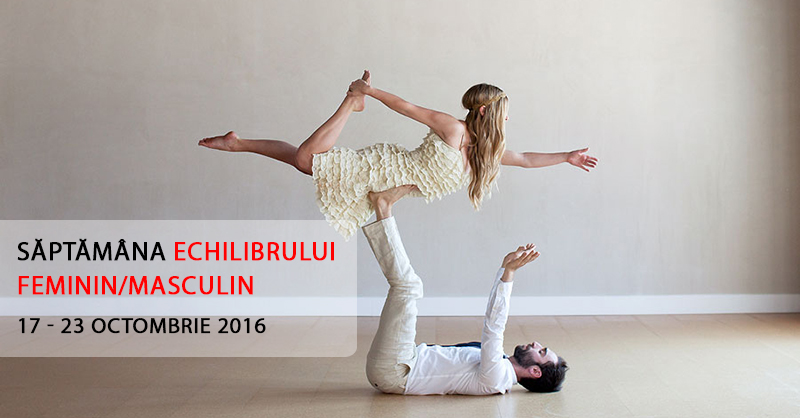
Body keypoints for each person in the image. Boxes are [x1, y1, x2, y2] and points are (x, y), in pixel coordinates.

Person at [199, 71, 598, 238]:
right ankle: (351, 102)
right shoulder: (453, 129)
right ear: (486, 114)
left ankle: (238, 143)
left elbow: (525, 159)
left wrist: (566, 157)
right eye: (505, 114)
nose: (508, 120)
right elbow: (407, 107)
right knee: (307, 161)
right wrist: (369, 91)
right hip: (386, 168)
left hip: (389, 183)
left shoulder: (484, 153)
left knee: (305, 163)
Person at [362, 185, 568, 395]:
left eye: (542, 351)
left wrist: (509, 273)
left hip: (397, 371)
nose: (536, 344)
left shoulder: (497, 378)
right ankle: (382, 206)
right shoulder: (500, 365)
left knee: (408, 287)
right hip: (403, 359)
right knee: (408, 287)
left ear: (535, 371)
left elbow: (494, 326)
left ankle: (383, 206)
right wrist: (505, 268)